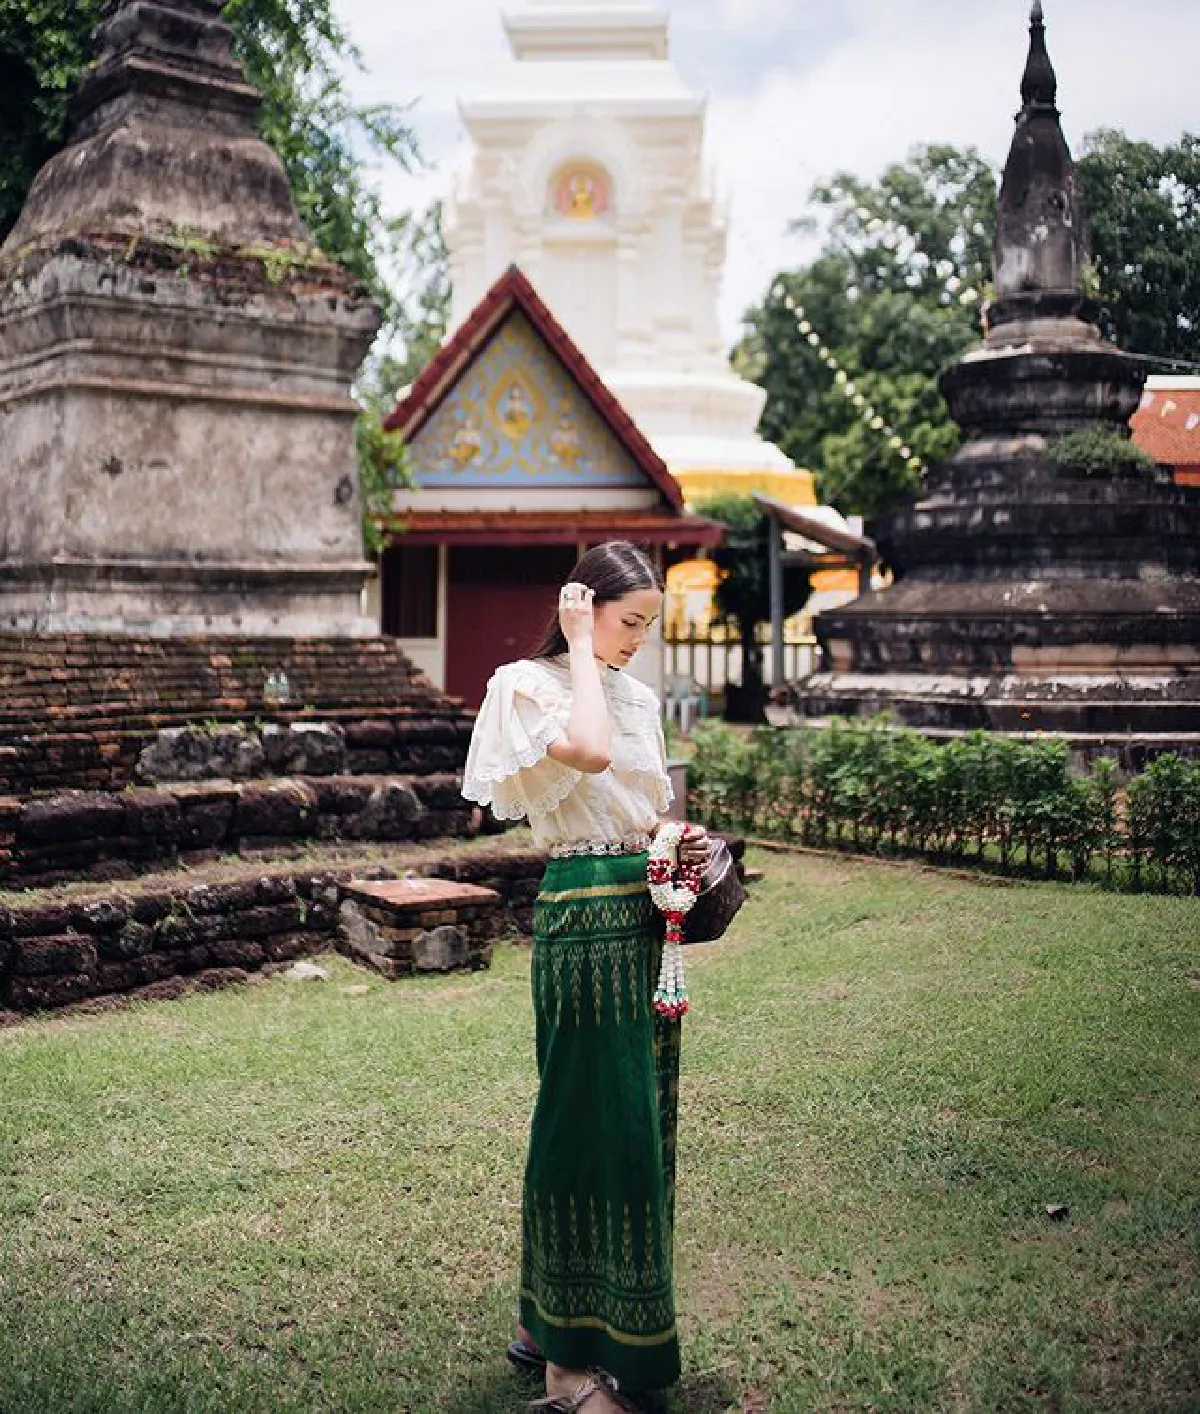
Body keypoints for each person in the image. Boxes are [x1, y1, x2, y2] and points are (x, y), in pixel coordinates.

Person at [462, 541, 708, 1413]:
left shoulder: (637, 693)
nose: (640, 639)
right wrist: (573, 647)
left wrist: (679, 847)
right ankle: (568, 1367)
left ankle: (596, 1334)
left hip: (645, 920)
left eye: (651, 624)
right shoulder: (524, 688)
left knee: (641, 1121)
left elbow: (648, 802)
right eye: (629, 620)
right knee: (580, 1118)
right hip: (580, 916)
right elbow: (594, 757)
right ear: (584, 606)